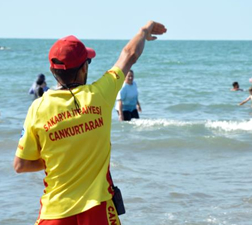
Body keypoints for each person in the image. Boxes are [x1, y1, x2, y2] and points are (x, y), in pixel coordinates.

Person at [13, 21, 167, 225]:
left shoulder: (37, 109)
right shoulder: (99, 94)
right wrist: (143, 31)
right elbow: (129, 54)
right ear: (83, 68)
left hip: (54, 213)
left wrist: (55, 159)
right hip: (98, 209)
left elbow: (20, 165)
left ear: (53, 70)